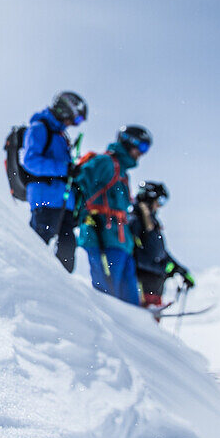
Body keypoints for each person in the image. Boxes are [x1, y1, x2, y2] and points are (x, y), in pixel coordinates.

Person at [75, 125, 151, 304]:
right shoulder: (105, 163)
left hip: (122, 243)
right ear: (129, 141)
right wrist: (84, 220)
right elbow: (79, 186)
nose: (142, 153)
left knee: (129, 300)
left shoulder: (123, 173)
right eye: (142, 147)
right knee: (108, 297)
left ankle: (136, 327)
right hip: (101, 238)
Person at [23, 91, 87, 272]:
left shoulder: (61, 136)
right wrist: (64, 168)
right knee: (40, 247)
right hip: (46, 199)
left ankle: (61, 293)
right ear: (66, 110)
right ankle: (30, 279)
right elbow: (30, 161)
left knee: (67, 250)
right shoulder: (39, 128)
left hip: (64, 203)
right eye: (75, 119)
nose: (73, 124)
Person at [128, 181, 194, 314]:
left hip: (155, 282)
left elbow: (160, 252)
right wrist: (165, 268)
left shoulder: (151, 223)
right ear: (150, 198)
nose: (159, 206)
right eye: (160, 201)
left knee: (153, 322)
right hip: (143, 281)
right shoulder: (135, 220)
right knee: (143, 324)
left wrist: (180, 270)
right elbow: (134, 255)